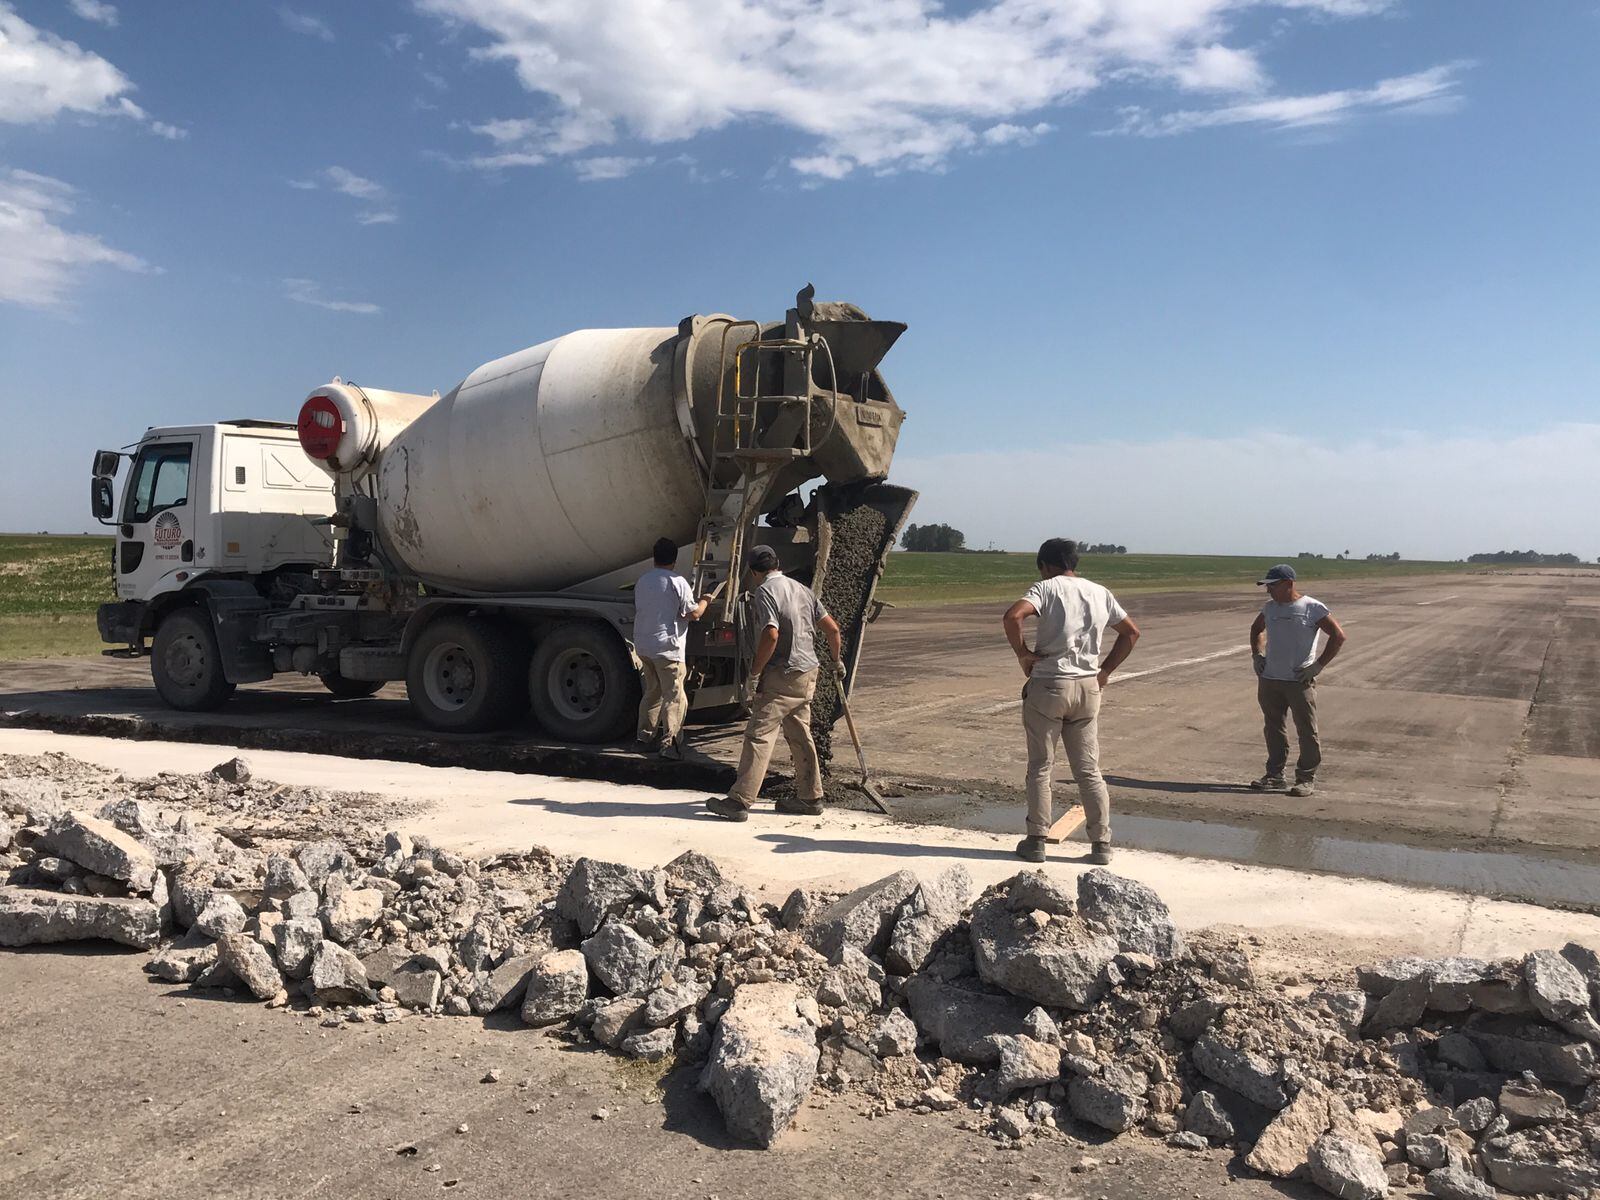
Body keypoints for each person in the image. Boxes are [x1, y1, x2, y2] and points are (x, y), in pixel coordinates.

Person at [1002, 538, 1140, 865]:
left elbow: (1013, 616)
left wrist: (1023, 654)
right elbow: (1131, 632)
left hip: (1051, 683)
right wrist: (1104, 671)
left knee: (1040, 766)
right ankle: (1101, 843)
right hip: (1087, 687)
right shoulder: (1099, 592)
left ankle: (1037, 839)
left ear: (1044, 565)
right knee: (1088, 770)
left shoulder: (1046, 588)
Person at [706, 544, 842, 821]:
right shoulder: (802, 589)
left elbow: (771, 634)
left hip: (782, 674)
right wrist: (837, 661)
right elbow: (833, 628)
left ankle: (739, 801)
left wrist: (755, 673)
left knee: (758, 735)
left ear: (754, 571)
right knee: (799, 734)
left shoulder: (765, 592)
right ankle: (811, 797)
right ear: (778, 562)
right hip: (808, 672)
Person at [1248, 563, 1347, 797]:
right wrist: (1257, 655)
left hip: (1298, 681)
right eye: (1267, 586)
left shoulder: (1311, 607)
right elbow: (1256, 629)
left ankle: (1305, 778)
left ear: (1289, 584)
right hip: (1270, 679)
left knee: (1306, 730)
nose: (1268, 591)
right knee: (1273, 728)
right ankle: (1274, 775)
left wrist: (1318, 665)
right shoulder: (1270, 608)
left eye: (1273, 586)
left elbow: (1338, 636)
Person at [633, 537, 710, 759]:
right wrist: (706, 599)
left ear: (654, 557)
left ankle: (643, 738)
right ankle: (671, 744)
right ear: (675, 560)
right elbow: (694, 613)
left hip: (644, 645)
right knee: (675, 696)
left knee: (652, 692)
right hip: (668, 648)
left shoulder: (643, 580)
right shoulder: (678, 582)